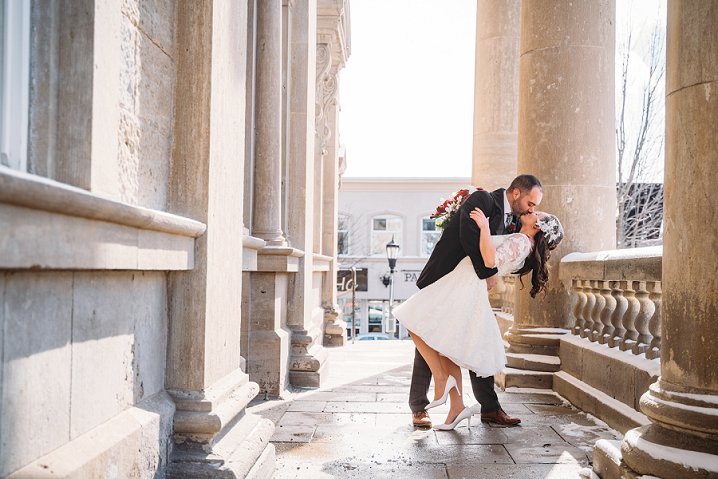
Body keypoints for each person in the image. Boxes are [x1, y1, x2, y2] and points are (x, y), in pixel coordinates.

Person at [394, 207, 564, 429]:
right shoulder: (522, 240)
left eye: (538, 214)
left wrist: (483, 227)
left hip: (466, 282)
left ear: (537, 226)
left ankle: (442, 379)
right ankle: (456, 407)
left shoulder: (523, 241)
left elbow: (490, 259)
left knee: (414, 320)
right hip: (464, 280)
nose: (534, 210)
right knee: (443, 342)